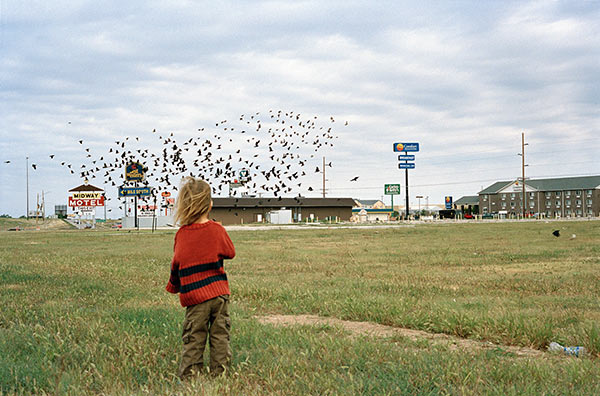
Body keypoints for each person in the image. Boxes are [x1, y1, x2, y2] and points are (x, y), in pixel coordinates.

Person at [166, 177, 235, 378]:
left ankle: (190, 374)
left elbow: (177, 263)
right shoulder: (217, 229)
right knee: (220, 335)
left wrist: (173, 285)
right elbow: (230, 252)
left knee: (194, 336)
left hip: (196, 298)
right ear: (210, 204)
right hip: (220, 295)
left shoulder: (182, 234)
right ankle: (219, 373)